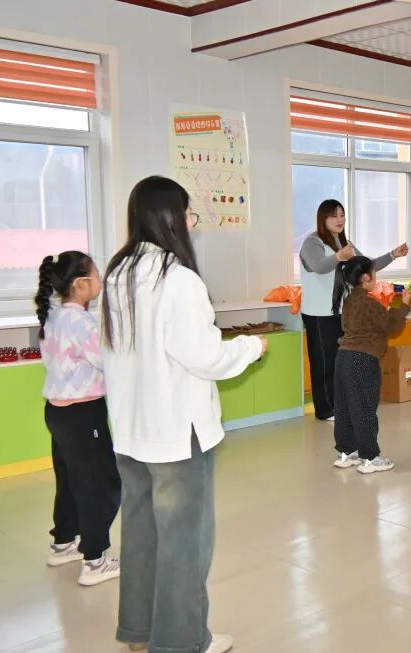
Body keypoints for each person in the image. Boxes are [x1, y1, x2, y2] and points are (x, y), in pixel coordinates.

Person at [101, 176, 267, 653]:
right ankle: (182, 641)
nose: (192, 224)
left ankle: (139, 632)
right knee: (184, 542)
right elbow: (205, 357)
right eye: (188, 214)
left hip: (131, 429)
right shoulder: (178, 279)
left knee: (141, 534)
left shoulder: (116, 275)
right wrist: (250, 348)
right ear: (171, 218)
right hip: (177, 432)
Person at [36, 251, 121, 587]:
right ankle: (95, 560)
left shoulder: (53, 315)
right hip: (84, 414)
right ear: (81, 284)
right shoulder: (82, 323)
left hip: (57, 412)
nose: (100, 281)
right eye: (97, 275)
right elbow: (107, 361)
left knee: (70, 480)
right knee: (100, 484)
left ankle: (63, 542)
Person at [299, 199, 409, 421]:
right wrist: (339, 256)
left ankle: (339, 405)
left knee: (340, 361)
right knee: (323, 362)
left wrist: (393, 254)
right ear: (323, 218)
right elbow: (319, 266)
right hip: (319, 313)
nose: (340, 219)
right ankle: (325, 410)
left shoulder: (344, 242)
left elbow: (365, 265)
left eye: (342, 215)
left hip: (342, 311)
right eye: (334, 215)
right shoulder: (312, 242)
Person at [331, 256, 411, 473]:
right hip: (363, 360)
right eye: (374, 274)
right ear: (366, 277)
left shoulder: (349, 300)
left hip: (343, 358)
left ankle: (346, 452)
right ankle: (369, 457)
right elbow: (391, 326)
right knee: (364, 409)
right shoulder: (368, 303)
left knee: (344, 408)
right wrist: (404, 306)